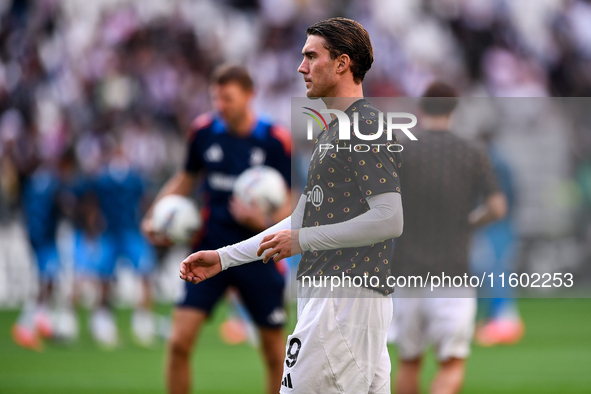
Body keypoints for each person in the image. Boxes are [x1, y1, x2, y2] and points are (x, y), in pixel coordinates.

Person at [179, 18, 404, 393]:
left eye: (311, 56)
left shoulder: (364, 127)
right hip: (341, 302)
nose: (301, 67)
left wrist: (305, 240)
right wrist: (223, 258)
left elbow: (389, 218)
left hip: (342, 304)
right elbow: (297, 222)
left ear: (342, 63)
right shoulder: (336, 130)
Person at [142, 65, 292, 394]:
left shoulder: (275, 139)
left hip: (259, 254)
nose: (221, 106)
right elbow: (185, 178)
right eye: (216, 98)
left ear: (249, 96)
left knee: (274, 355)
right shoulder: (203, 131)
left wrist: (262, 223)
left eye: (228, 99)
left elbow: (288, 204)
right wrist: (154, 215)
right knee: (179, 342)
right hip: (209, 251)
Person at [390, 82, 507, 394]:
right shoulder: (471, 151)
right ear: (454, 110)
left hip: (405, 273)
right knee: (451, 365)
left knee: (409, 362)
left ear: (421, 109)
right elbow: (497, 207)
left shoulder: (401, 149)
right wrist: (467, 223)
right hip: (452, 273)